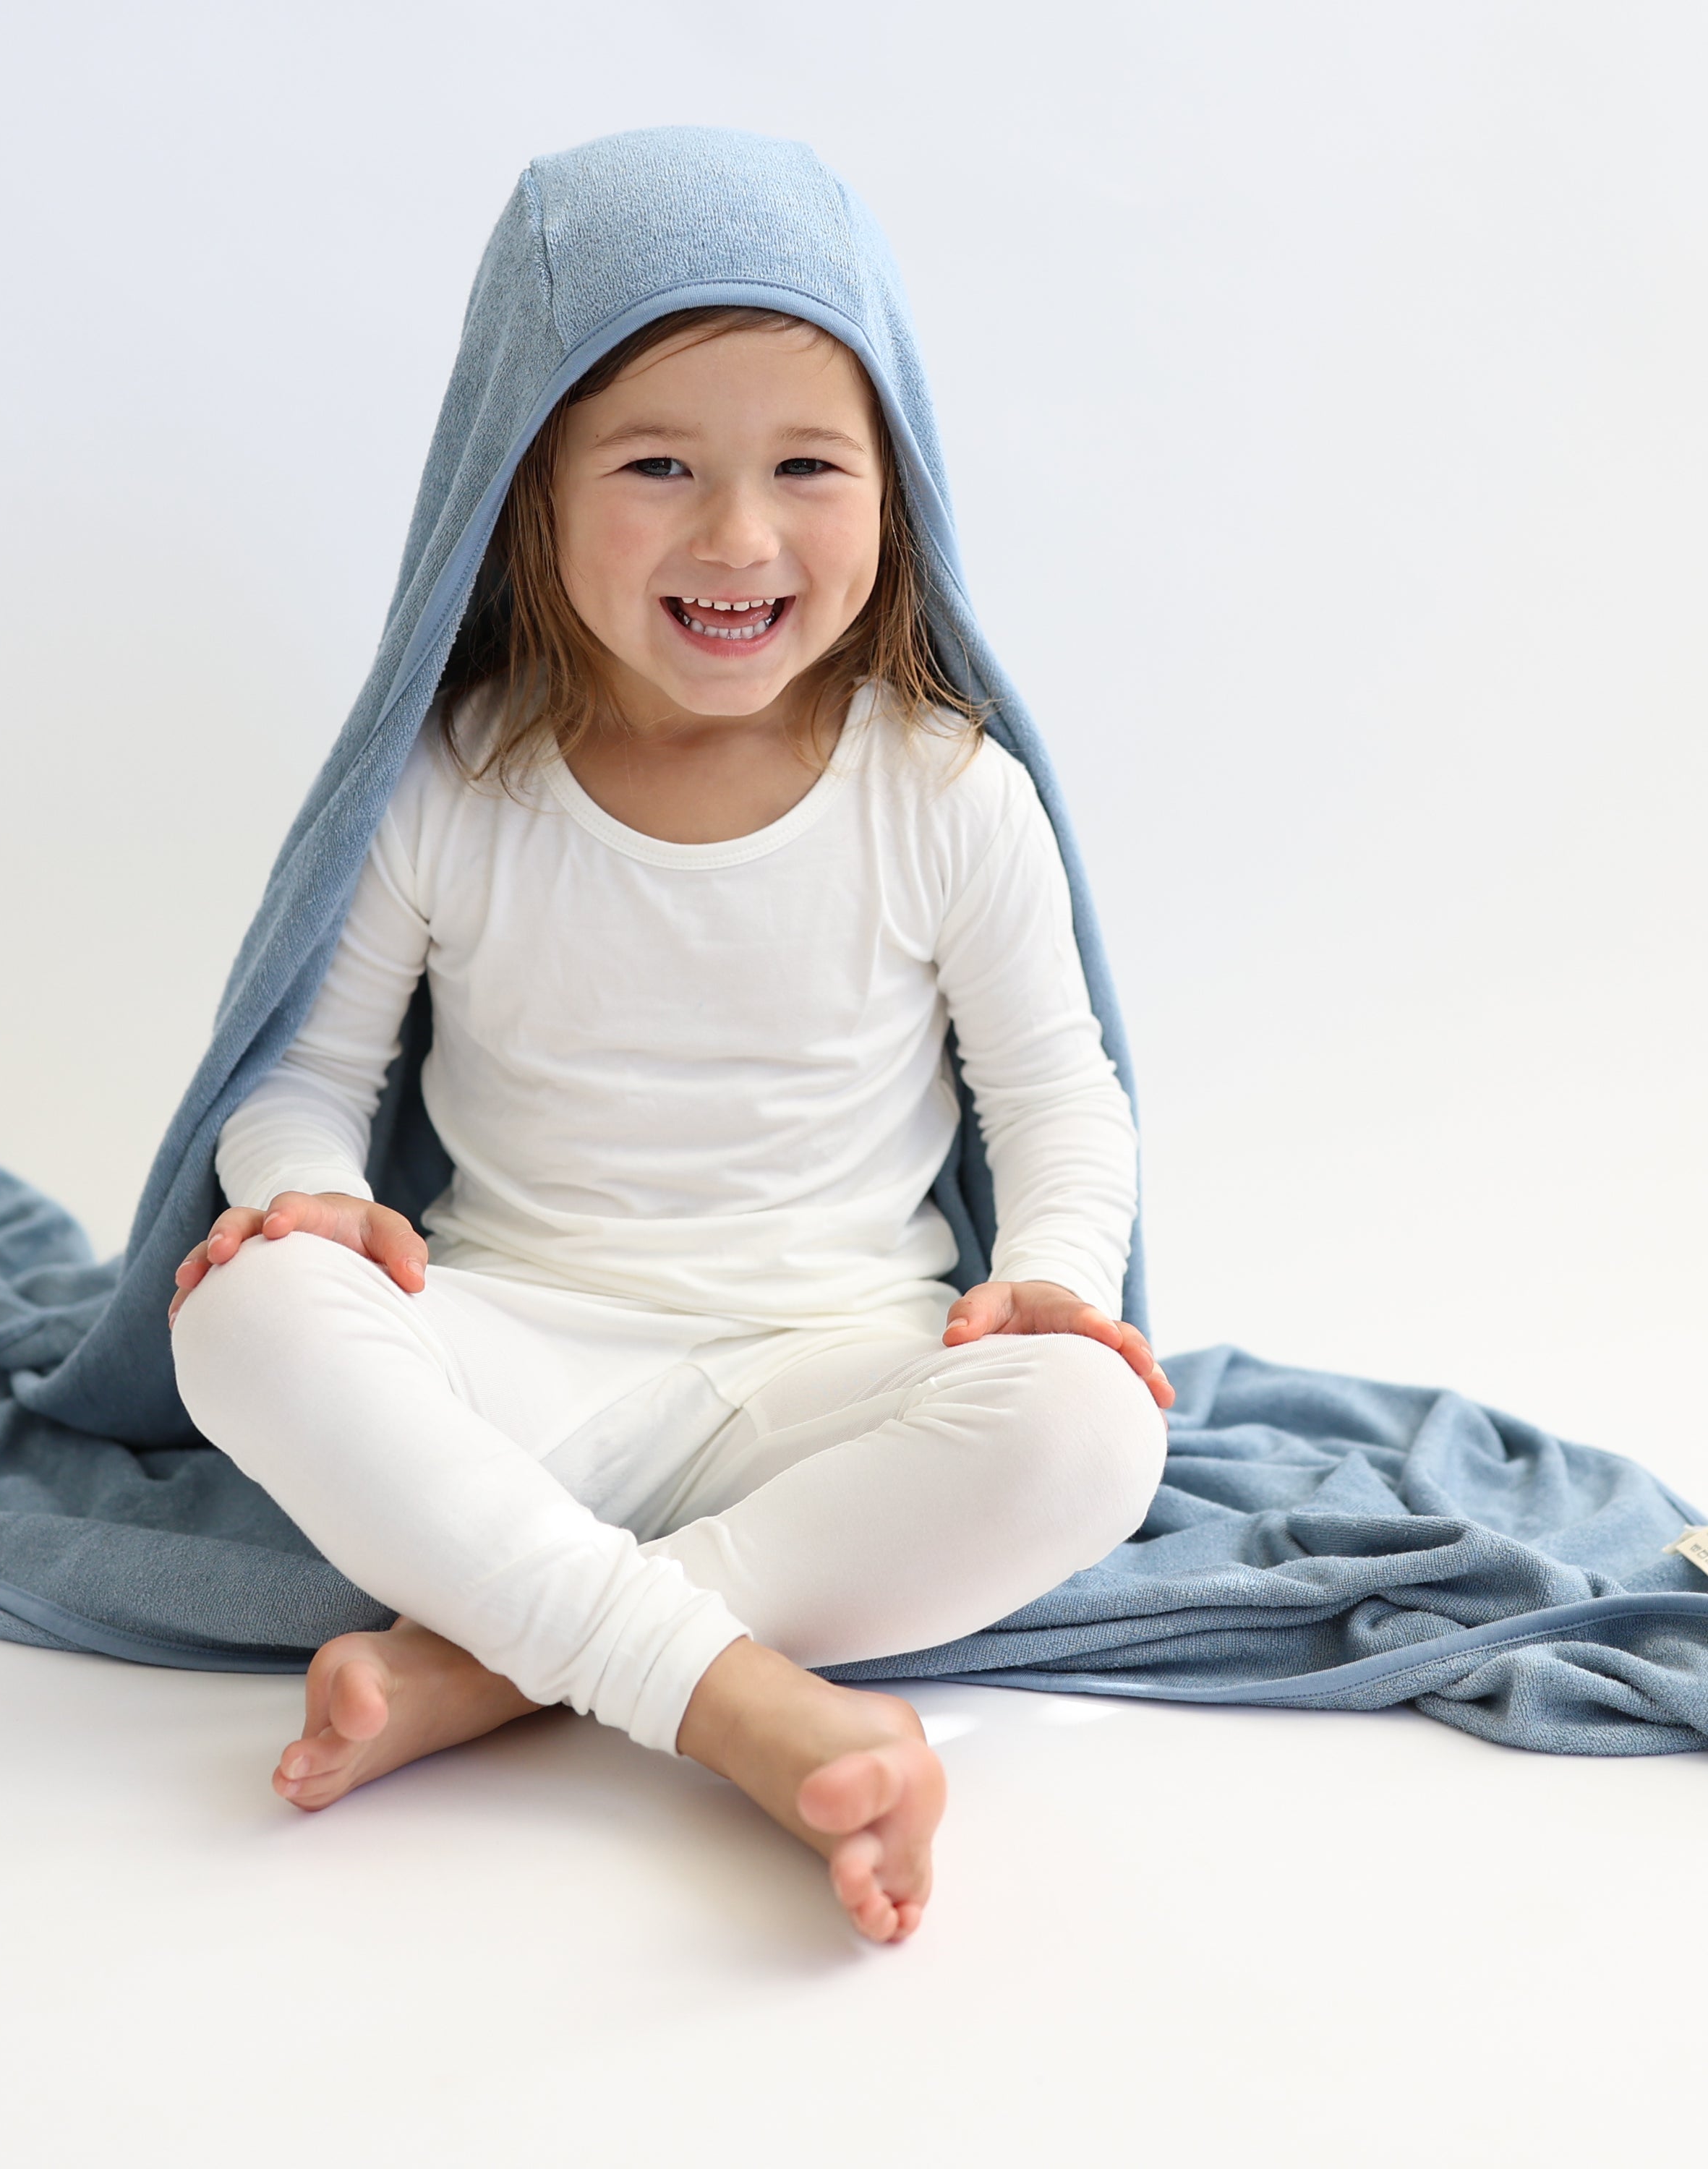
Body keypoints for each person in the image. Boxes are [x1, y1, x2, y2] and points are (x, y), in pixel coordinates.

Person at [165, 281, 1171, 1943]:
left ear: (895, 491)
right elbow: (307, 1076)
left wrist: (1057, 1271)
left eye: (806, 468)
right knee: (248, 1310)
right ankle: (742, 1705)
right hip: (529, 1353)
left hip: (836, 1364)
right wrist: (305, 1188)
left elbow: (1057, 1086)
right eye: (653, 468)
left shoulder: (943, 790)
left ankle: (491, 1666)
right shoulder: (456, 776)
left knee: (1092, 1430)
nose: (737, 534)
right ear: (528, 493)